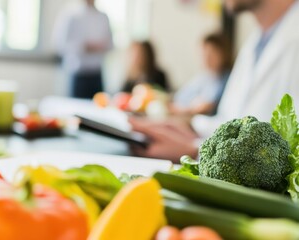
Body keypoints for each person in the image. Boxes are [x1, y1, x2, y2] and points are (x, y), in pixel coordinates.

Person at [130, 0, 299, 162]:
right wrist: (189, 127)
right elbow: (231, 122)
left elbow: (285, 157)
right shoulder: (255, 44)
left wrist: (194, 150)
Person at [54, 0, 113, 99]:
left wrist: (100, 46)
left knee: (97, 108)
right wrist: (83, 47)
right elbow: (59, 44)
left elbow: (111, 44)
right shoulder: (70, 15)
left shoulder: (103, 17)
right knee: (74, 107)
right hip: (77, 73)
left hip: (96, 73)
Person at [170, 33, 232, 116]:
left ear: (223, 54)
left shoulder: (227, 79)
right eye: (204, 54)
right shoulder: (203, 77)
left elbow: (207, 106)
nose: (207, 58)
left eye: (211, 54)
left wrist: (184, 110)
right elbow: (179, 98)